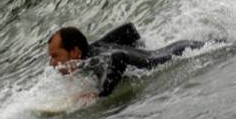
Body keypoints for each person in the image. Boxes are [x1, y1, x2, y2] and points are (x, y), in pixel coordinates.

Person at [47, 24, 205, 99]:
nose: (51, 64)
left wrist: (101, 94)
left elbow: (119, 57)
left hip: (181, 53)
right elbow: (128, 30)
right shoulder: (95, 48)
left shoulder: (92, 60)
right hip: (176, 47)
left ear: (75, 52)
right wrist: (140, 53)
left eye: (55, 56)